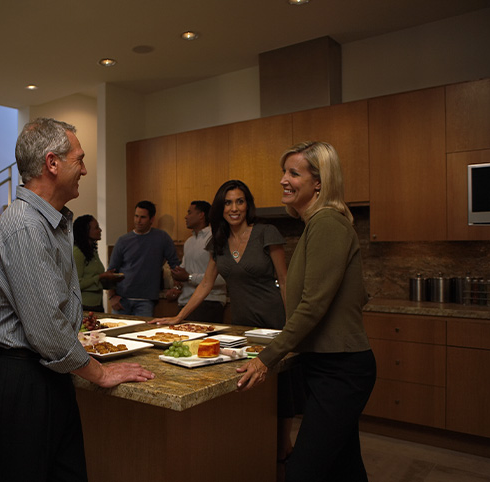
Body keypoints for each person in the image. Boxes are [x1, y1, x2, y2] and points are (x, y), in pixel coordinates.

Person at [0, 118, 154, 482]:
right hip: (21, 382)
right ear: (52, 163)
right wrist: (99, 372)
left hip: (45, 376)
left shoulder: (48, 224)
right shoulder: (25, 226)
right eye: (80, 159)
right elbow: (46, 330)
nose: (84, 169)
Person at [236, 141, 376, 482]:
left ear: (319, 182)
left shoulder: (328, 222)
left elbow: (313, 305)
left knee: (302, 470)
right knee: (344, 466)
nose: (284, 179)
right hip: (329, 364)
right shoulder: (319, 224)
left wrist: (266, 357)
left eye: (293, 173)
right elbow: (360, 295)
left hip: (339, 369)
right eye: (284, 172)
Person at [153, 180, 297, 464]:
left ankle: (282, 450)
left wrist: (293, 324)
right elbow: (206, 284)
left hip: (274, 323)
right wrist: (179, 316)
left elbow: (286, 280)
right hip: (242, 327)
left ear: (248, 204)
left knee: (281, 391)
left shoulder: (267, 232)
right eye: (228, 203)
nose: (235, 208)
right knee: (250, 386)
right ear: (221, 208)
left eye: (240, 201)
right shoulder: (218, 241)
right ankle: (255, 447)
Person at [107, 200, 181, 317]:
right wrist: (112, 297)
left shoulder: (161, 238)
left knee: (142, 333)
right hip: (122, 299)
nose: (138, 221)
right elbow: (111, 271)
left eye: (143, 217)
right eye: (136, 216)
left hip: (146, 300)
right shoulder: (123, 241)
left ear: (151, 219)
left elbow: (175, 265)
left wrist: (176, 287)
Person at [167, 201, 227, 323]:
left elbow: (222, 278)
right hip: (185, 303)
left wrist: (189, 277)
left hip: (209, 303)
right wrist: (177, 284)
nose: (186, 216)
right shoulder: (189, 242)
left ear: (201, 215)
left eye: (189, 212)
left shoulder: (215, 237)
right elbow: (183, 271)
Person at [73, 214, 122, 312]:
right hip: (84, 306)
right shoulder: (77, 253)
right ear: (86, 231)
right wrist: (101, 276)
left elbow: (95, 279)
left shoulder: (92, 252)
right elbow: (76, 284)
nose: (100, 230)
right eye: (96, 228)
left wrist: (111, 279)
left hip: (97, 305)